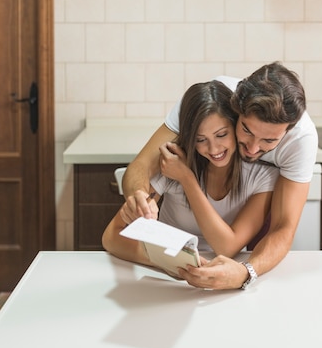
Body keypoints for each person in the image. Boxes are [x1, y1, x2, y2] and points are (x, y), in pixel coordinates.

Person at [120, 62, 319, 290]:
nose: (253, 149)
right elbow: (142, 165)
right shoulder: (211, 101)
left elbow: (283, 227)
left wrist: (246, 273)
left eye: (269, 141)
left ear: (288, 130)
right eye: (246, 130)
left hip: (253, 211)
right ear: (235, 111)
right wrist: (137, 197)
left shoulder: (301, 140)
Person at [102, 80, 279, 275]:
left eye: (221, 135)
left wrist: (187, 179)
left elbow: (227, 248)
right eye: (200, 140)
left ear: (236, 125)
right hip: (169, 275)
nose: (213, 149)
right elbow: (112, 236)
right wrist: (167, 261)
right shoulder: (172, 165)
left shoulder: (262, 176)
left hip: (226, 276)